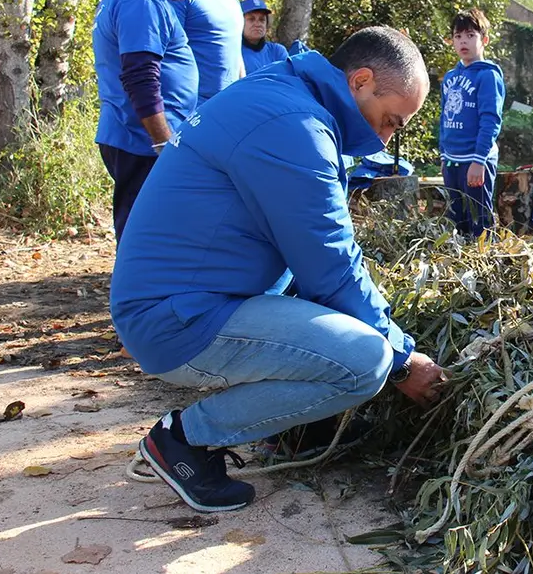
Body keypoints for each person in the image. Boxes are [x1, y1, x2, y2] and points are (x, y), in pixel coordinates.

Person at [110, 26, 445, 513]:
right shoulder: (294, 128)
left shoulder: (285, 97)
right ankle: (182, 440)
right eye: (392, 121)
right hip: (176, 319)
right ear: (362, 81)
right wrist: (402, 358)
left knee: (346, 331)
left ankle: (296, 426)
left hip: (197, 300)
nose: (387, 136)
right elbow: (330, 266)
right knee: (364, 360)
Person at [92, 0, 225, 241]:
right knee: (145, 232)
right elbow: (140, 77)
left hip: (141, 140)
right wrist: (165, 143)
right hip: (140, 141)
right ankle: (137, 292)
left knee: (159, 229)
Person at [439, 9, 505, 237]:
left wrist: (479, 160)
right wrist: (443, 154)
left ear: (484, 40)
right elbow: (444, 116)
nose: (463, 41)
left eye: (470, 35)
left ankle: (485, 265)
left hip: (475, 160)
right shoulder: (449, 77)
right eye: (458, 36)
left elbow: (491, 120)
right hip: (452, 160)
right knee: (456, 219)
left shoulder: (487, 76)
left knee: (480, 221)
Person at [239, 0, 290, 74]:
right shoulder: (234, 52)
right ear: (240, 22)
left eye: (262, 20)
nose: (257, 24)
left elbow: (287, 80)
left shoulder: (277, 51)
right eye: (251, 19)